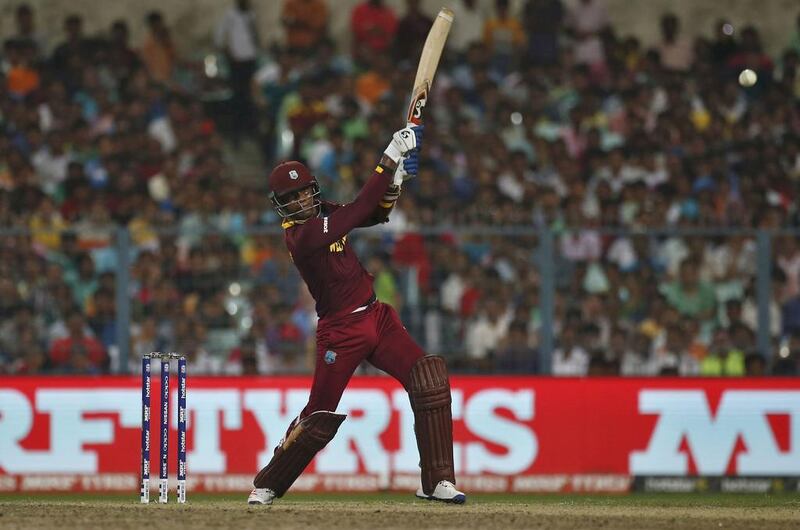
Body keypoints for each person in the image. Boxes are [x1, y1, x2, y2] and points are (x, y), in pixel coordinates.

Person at [248, 125, 466, 505]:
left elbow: (374, 215)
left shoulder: (325, 211)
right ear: (281, 204)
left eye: (304, 191)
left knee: (428, 379)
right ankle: (269, 482)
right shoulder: (303, 236)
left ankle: (436, 481)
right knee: (318, 415)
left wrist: (393, 184)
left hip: (377, 316)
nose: (301, 200)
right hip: (340, 331)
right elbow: (363, 207)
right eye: (292, 197)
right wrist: (388, 157)